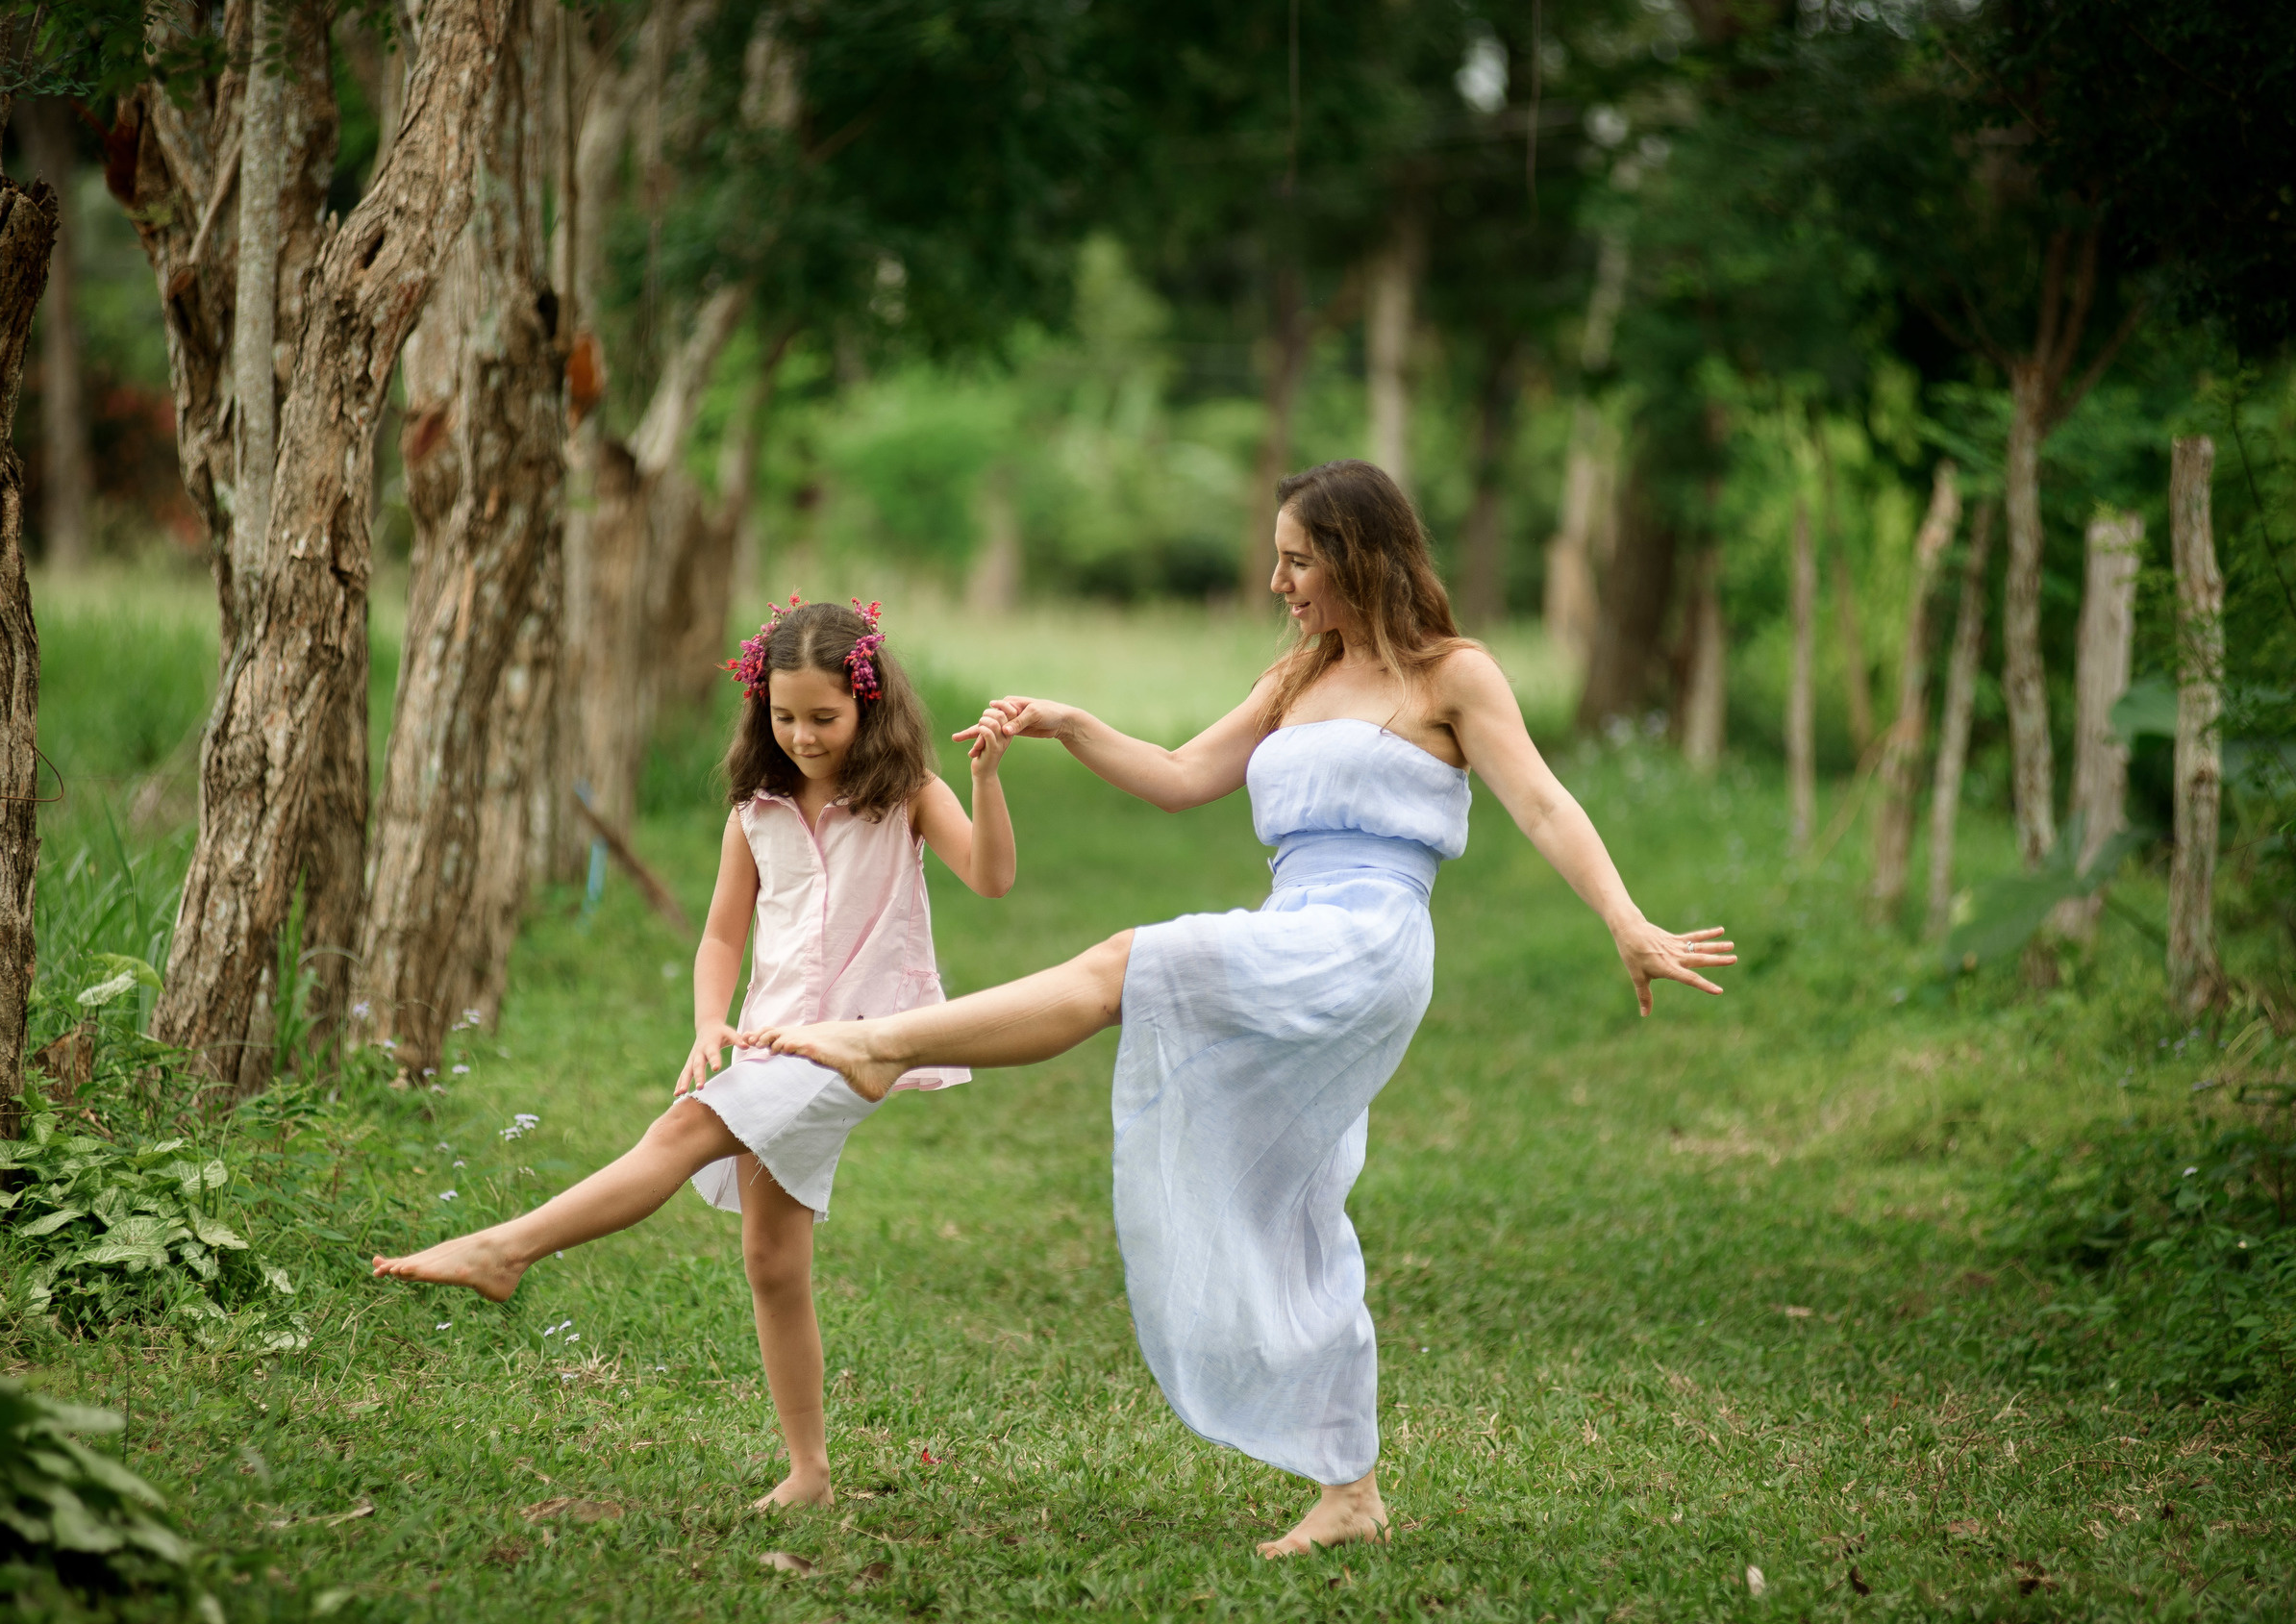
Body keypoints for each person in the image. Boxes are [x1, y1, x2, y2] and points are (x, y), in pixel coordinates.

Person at [752, 462, 1736, 1557]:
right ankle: (1349, 1487)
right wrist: (1070, 724)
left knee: (1129, 960)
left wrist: (1626, 919)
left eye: (1297, 558)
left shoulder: (1453, 676)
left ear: (1360, 557)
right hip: (1295, 920)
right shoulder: (1293, 679)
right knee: (1288, 1194)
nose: (1278, 580)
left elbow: (1545, 802)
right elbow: (1178, 773)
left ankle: (884, 1041)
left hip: (1366, 936)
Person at [374, 597, 1017, 1512]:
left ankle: (506, 1247)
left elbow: (992, 878)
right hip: (769, 1035)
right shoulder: (755, 813)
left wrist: (984, 780)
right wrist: (708, 1022)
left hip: (859, 1043)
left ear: (870, 705)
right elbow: (721, 939)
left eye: (823, 717)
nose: (801, 735)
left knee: (681, 1131)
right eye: (783, 716)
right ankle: (809, 1471)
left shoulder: (909, 790)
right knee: (772, 1259)